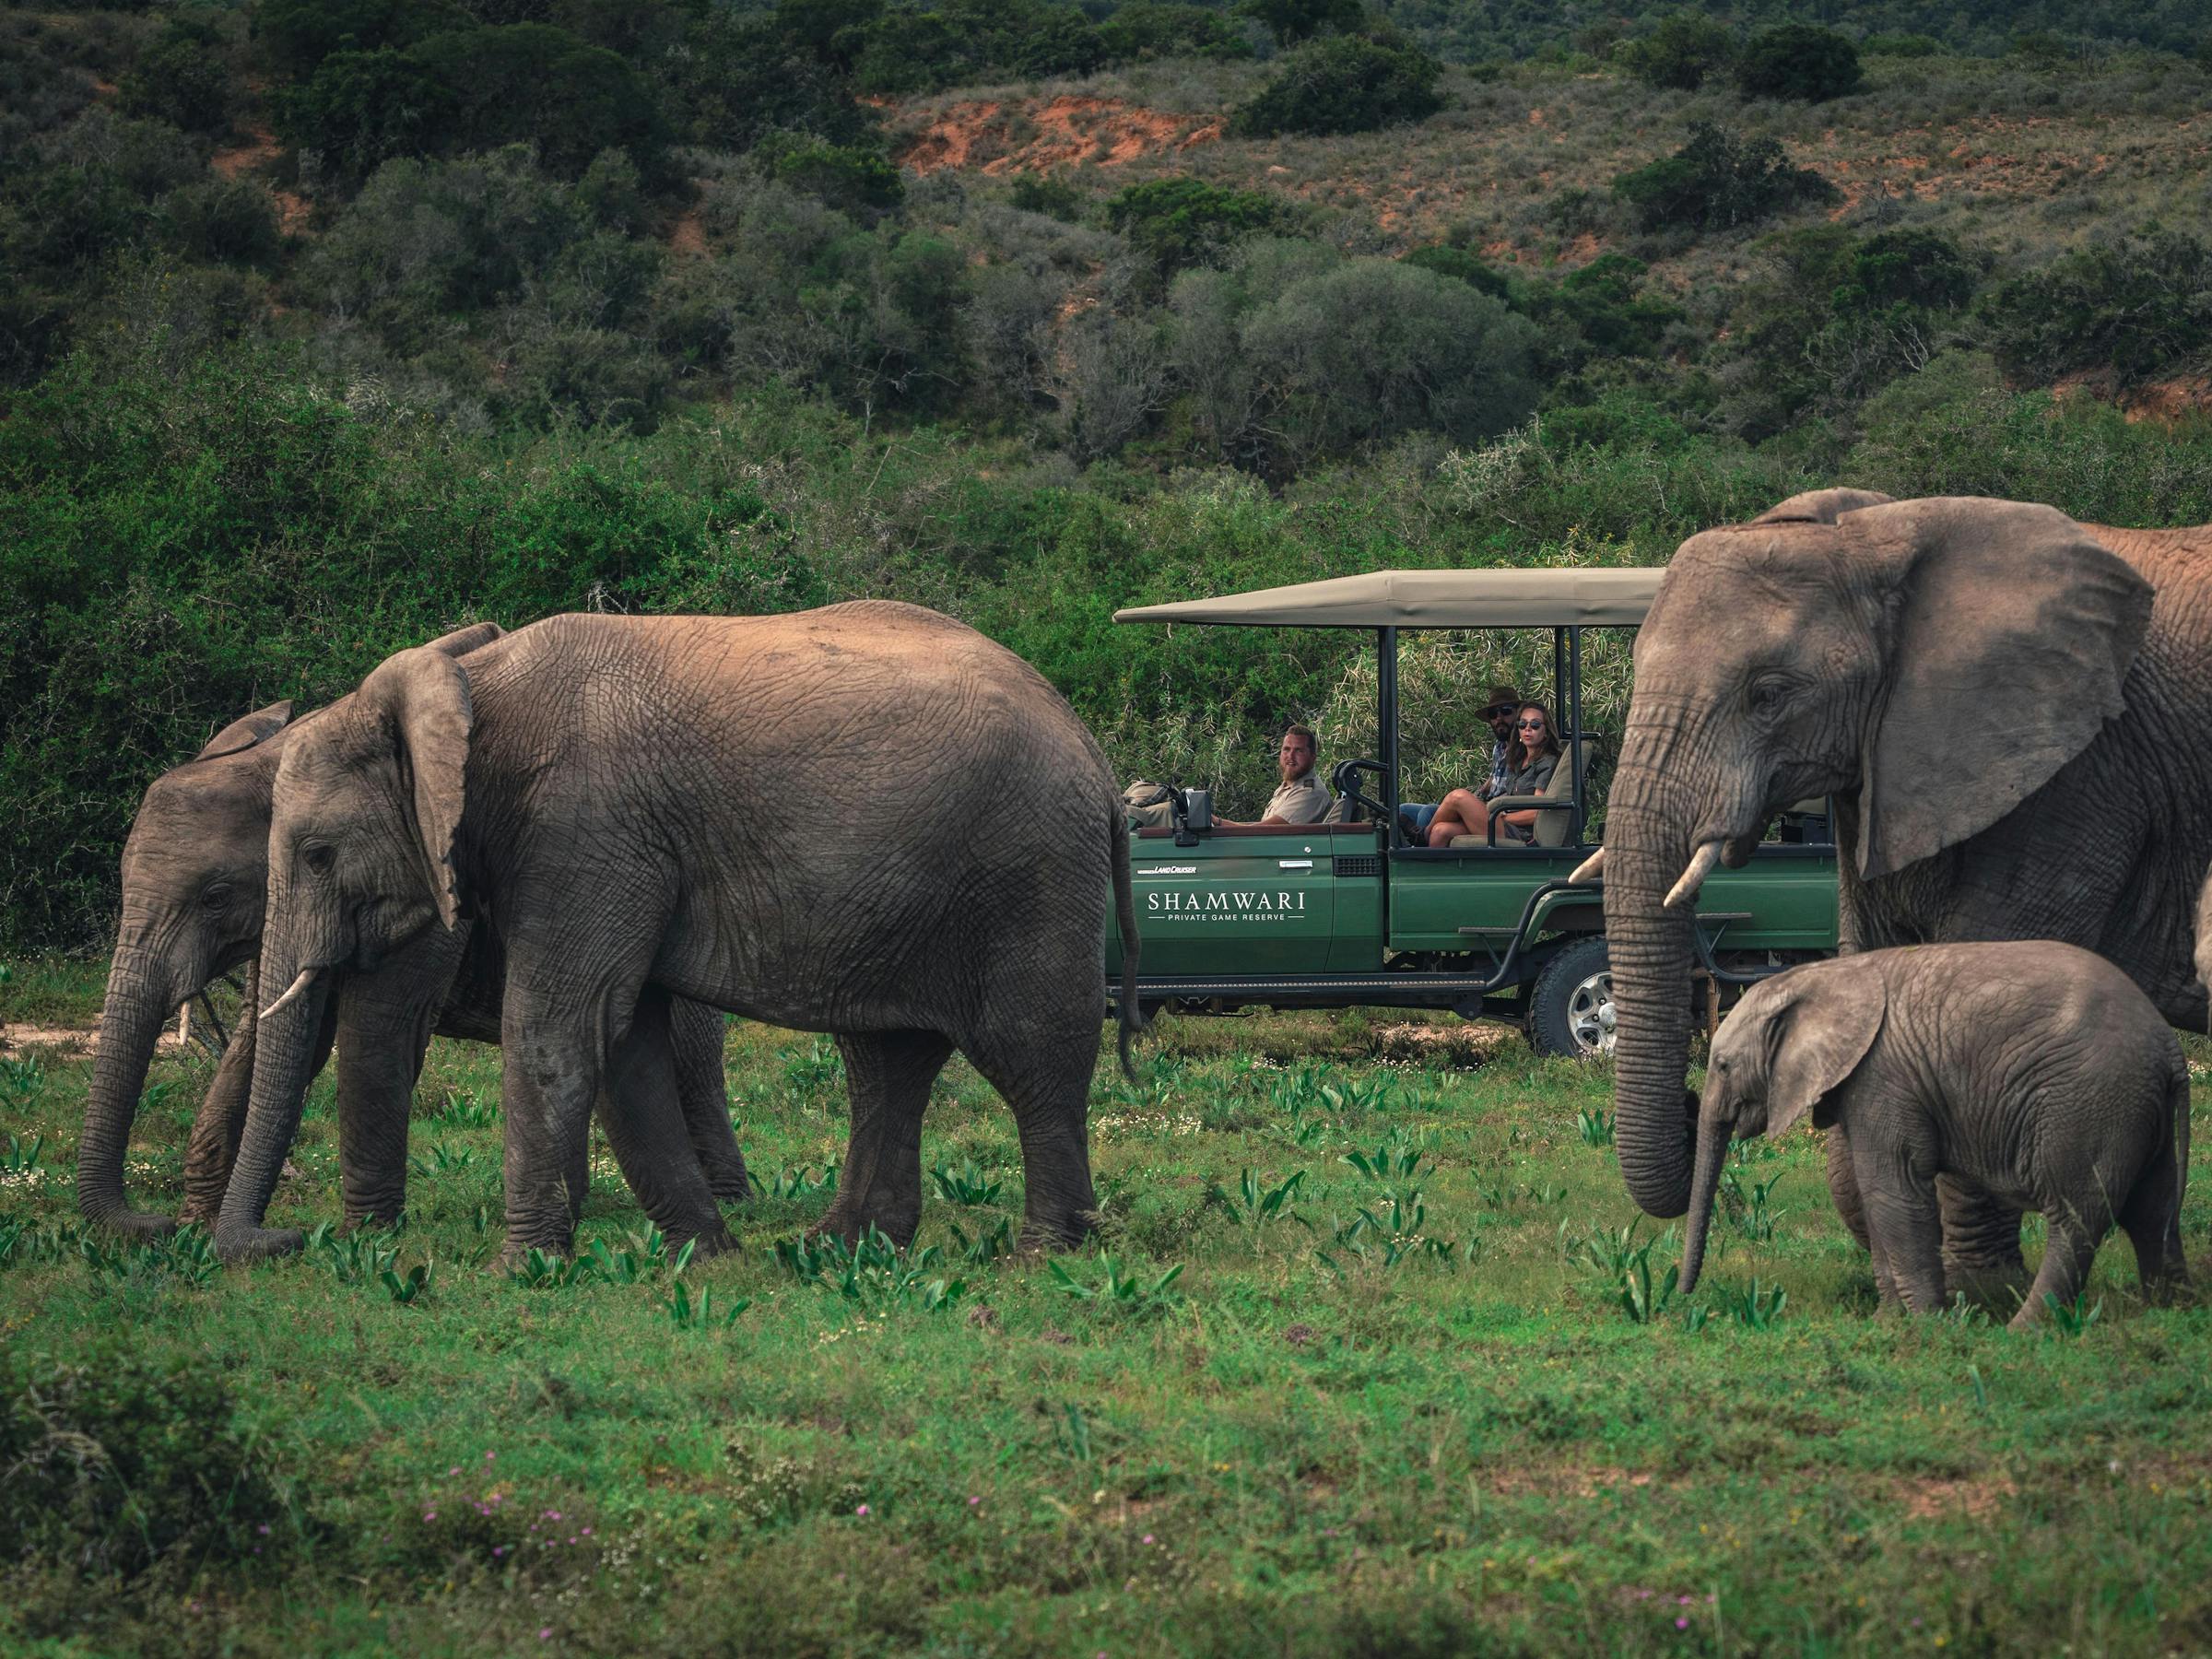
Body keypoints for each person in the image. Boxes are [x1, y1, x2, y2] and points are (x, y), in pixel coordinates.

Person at [1425, 700, 1562, 847]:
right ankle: (1429, 866)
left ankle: (1421, 836)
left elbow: (1537, 813)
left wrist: (1503, 817)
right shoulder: (1517, 759)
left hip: (1520, 833)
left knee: (1458, 797)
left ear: (1546, 731)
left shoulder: (1547, 762)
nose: (1527, 729)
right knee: (1440, 831)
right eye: (1522, 724)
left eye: (1534, 725)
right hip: (1501, 819)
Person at [1397, 683, 1521, 843]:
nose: (1499, 719)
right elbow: (1494, 782)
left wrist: (1484, 805)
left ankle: (1421, 842)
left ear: (1518, 714)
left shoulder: (1525, 749)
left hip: (1496, 813)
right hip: (1486, 807)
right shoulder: (1500, 746)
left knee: (1428, 812)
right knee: (1403, 810)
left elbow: (1518, 792)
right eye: (1493, 714)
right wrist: (1480, 792)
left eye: (1505, 711)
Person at [1215, 724, 1330, 828]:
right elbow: (1259, 828)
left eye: (1298, 750)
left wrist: (1216, 822)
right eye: (1286, 749)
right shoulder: (1288, 787)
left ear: (1313, 757)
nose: (1291, 756)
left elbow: (1263, 831)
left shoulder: (1309, 792)